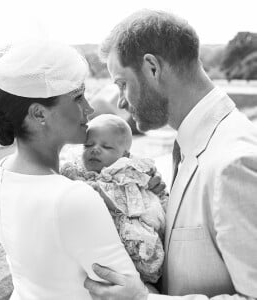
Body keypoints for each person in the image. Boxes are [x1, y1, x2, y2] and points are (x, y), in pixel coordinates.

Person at [84, 9, 257, 300]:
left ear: (152, 68)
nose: (122, 102)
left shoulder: (233, 162)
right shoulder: (194, 145)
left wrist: (144, 299)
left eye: (123, 84)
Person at [0, 38, 150, 300]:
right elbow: (129, 293)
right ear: (39, 114)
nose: (89, 108)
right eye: (78, 97)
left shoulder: (3, 173)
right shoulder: (71, 197)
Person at [61, 114, 168, 283]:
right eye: (88, 145)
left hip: (129, 236)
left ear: (124, 154)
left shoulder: (129, 172)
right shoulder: (74, 169)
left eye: (107, 147)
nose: (95, 149)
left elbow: (144, 199)